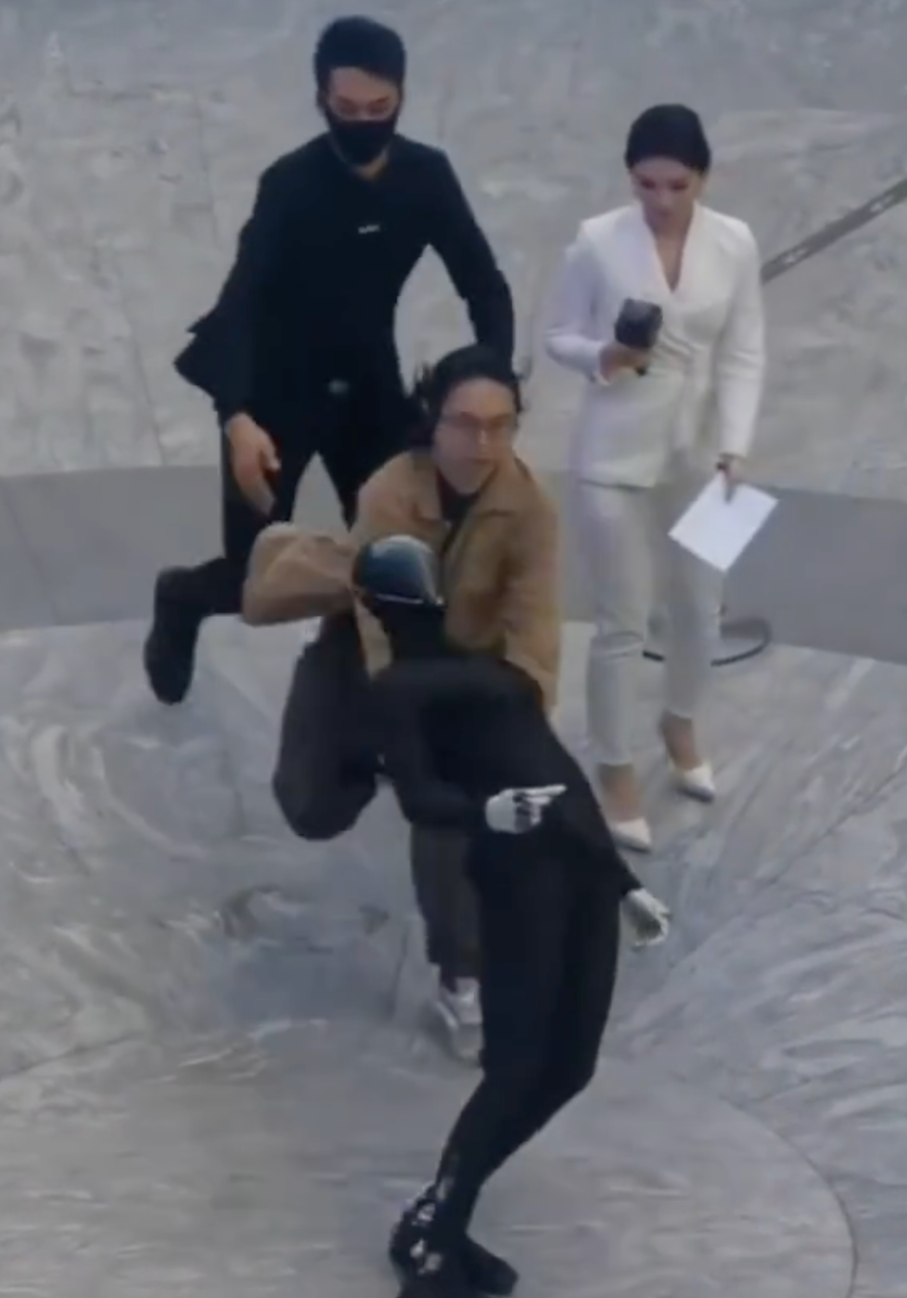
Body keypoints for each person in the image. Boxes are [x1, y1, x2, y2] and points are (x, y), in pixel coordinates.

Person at [144, 14, 515, 708]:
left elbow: (483, 284)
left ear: (401, 98)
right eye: (347, 109)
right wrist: (237, 418)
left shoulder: (427, 178)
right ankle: (183, 597)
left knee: (401, 556)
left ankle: (367, 694)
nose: (364, 123)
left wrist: (492, 381)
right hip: (275, 390)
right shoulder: (290, 184)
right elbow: (240, 302)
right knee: (253, 580)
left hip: (367, 380)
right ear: (321, 100)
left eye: (380, 108)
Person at [354, 534, 671, 1298]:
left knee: (569, 1066)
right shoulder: (398, 691)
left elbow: (564, 779)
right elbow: (419, 797)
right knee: (519, 1065)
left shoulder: (496, 672)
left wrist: (624, 883)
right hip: (518, 881)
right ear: (378, 605)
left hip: (581, 870)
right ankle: (434, 1254)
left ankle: (435, 1216)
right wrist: (486, 813)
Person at [543, 104, 766, 852]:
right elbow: (560, 335)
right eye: (646, 184)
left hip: (699, 454)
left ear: (703, 178)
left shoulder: (733, 242)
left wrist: (735, 442)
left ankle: (681, 721)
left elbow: (744, 349)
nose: (661, 200)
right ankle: (613, 767)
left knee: (700, 609)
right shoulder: (597, 242)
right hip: (612, 456)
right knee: (623, 620)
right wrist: (603, 357)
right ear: (629, 177)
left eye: (677, 185)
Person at [348, 344, 562, 1044]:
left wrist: (519, 723)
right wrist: (398, 724)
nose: (483, 444)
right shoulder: (388, 493)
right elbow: (375, 626)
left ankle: (462, 974)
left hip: (478, 672)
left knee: (459, 809)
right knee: (314, 799)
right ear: (433, 421)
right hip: (397, 663)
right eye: (466, 424)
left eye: (501, 426)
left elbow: (535, 630)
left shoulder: (528, 506)